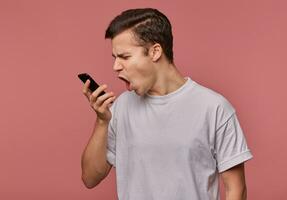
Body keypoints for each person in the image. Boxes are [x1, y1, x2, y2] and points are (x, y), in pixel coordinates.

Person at [80, 8, 253, 200]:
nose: (116, 66)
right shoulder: (120, 108)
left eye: (125, 57)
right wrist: (102, 122)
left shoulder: (214, 108)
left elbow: (236, 189)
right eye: (115, 58)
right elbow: (90, 178)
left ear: (155, 51)